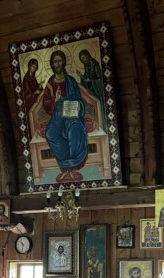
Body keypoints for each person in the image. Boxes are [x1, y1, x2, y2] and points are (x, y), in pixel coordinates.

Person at [42, 50, 88, 183]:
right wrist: (55, 100)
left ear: (63, 62)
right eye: (55, 61)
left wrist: (78, 105)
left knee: (74, 128)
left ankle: (72, 167)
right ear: (52, 64)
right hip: (57, 113)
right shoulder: (50, 83)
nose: (57, 64)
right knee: (50, 133)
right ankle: (64, 166)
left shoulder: (71, 81)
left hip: (71, 112)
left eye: (59, 61)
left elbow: (79, 100)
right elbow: (46, 103)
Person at [77, 49, 106, 127]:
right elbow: (86, 79)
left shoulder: (95, 65)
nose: (83, 60)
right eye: (81, 59)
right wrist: (81, 76)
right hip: (91, 91)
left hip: (97, 91)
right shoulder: (87, 67)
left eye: (83, 57)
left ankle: (101, 124)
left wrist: (91, 81)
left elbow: (100, 80)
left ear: (87, 56)